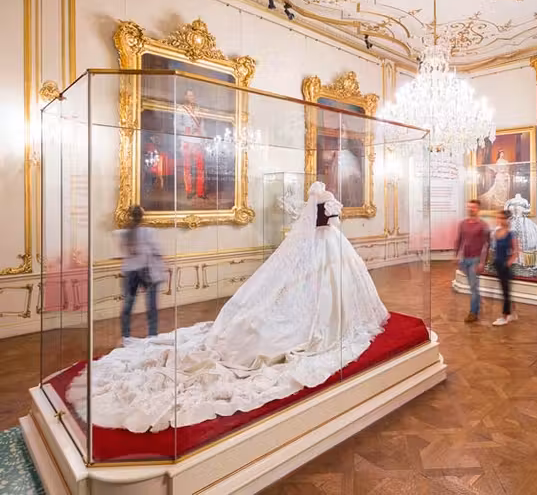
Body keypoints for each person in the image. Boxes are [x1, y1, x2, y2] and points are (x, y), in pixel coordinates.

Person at [67, 182, 389, 433]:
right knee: (297, 304)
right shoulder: (318, 199)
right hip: (323, 249)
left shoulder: (323, 201)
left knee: (327, 295)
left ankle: (327, 322)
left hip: (330, 249)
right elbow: (313, 228)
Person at [118, 206, 165, 343]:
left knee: (129, 304)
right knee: (150, 305)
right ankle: (151, 334)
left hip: (135, 271)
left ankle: (126, 336)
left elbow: (123, 251)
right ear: (141, 217)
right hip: (145, 271)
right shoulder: (146, 232)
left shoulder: (124, 233)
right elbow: (156, 250)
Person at [456, 199, 489, 323]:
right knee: (472, 286)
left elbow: (487, 245)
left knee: (474, 287)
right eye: (469, 207)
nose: (471, 209)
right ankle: (478, 300)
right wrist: (456, 255)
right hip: (464, 260)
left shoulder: (483, 225)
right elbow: (459, 239)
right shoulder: (462, 223)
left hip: (476, 259)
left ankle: (473, 313)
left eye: (473, 207)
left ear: (478, 209)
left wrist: (482, 262)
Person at [177, 88, 206, 200]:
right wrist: (188, 129)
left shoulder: (199, 109)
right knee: (187, 167)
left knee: (200, 168)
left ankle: (200, 192)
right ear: (185, 97)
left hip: (198, 141)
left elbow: (202, 126)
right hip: (187, 141)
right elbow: (176, 125)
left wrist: (204, 139)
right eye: (189, 95)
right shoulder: (180, 109)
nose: (191, 97)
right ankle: (188, 190)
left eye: (193, 95)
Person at [491, 210, 518, 326]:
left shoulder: (511, 234)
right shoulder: (496, 232)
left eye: (502, 218)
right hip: (498, 265)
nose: (499, 220)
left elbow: (516, 252)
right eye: (498, 217)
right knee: (506, 290)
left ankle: (505, 317)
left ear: (507, 219)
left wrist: (508, 263)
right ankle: (513, 313)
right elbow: (494, 249)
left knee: (505, 292)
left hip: (505, 266)